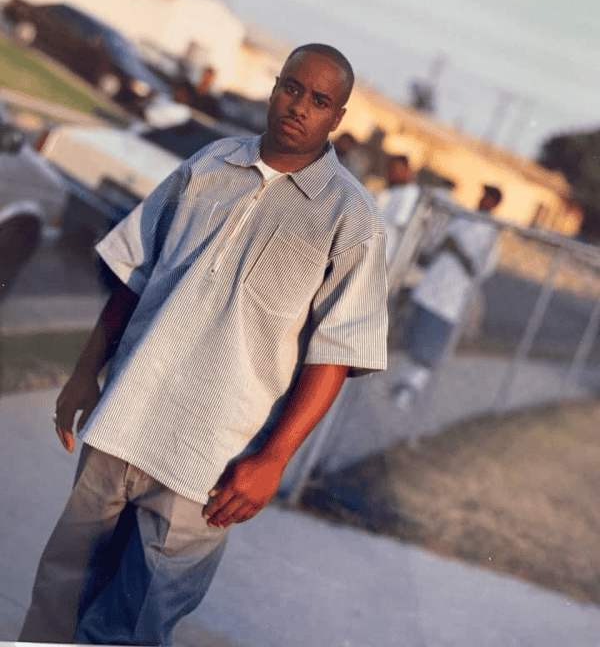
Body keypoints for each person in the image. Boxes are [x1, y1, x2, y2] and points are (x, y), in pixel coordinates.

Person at [19, 44, 388, 646]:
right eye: (292, 88)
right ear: (275, 87)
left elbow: (337, 352)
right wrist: (86, 373)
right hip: (125, 417)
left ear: (337, 117)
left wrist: (273, 461)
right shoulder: (210, 162)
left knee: (134, 625)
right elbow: (136, 274)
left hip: (211, 462)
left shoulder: (350, 217)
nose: (300, 106)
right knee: (58, 596)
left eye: (320, 100)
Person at [391, 184, 502, 408]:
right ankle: (401, 383)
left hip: (449, 300)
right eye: (483, 195)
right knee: (413, 339)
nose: (482, 199)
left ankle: (409, 391)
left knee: (427, 349)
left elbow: (480, 271)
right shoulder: (462, 217)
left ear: (495, 204)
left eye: (488, 197)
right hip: (430, 287)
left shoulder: (491, 235)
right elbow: (435, 241)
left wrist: (457, 250)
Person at [374, 155, 421, 264]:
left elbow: (400, 222)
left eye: (396, 169)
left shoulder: (411, 192)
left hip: (385, 254)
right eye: (391, 169)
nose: (393, 173)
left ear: (406, 170)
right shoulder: (395, 190)